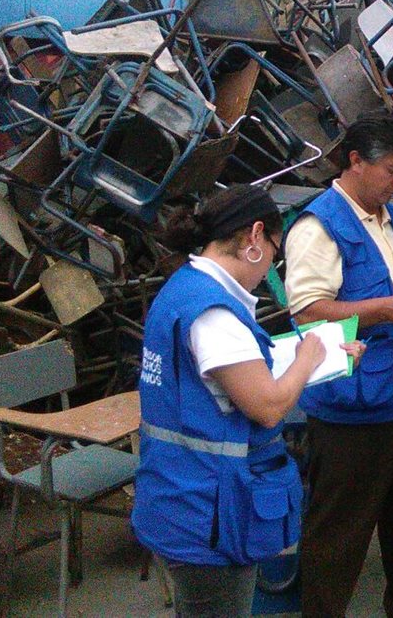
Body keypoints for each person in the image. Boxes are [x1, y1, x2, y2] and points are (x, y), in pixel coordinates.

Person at [133, 184, 364, 617]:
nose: (271, 266)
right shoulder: (215, 313)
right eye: (276, 252)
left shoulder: (185, 287)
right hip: (209, 510)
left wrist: (319, 361)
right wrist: (310, 355)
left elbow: (233, 377)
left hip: (181, 494)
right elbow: (268, 405)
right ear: (255, 237)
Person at [284, 115, 393, 617]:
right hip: (355, 404)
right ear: (355, 161)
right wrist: (382, 309)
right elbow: (306, 312)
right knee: (339, 533)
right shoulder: (319, 226)